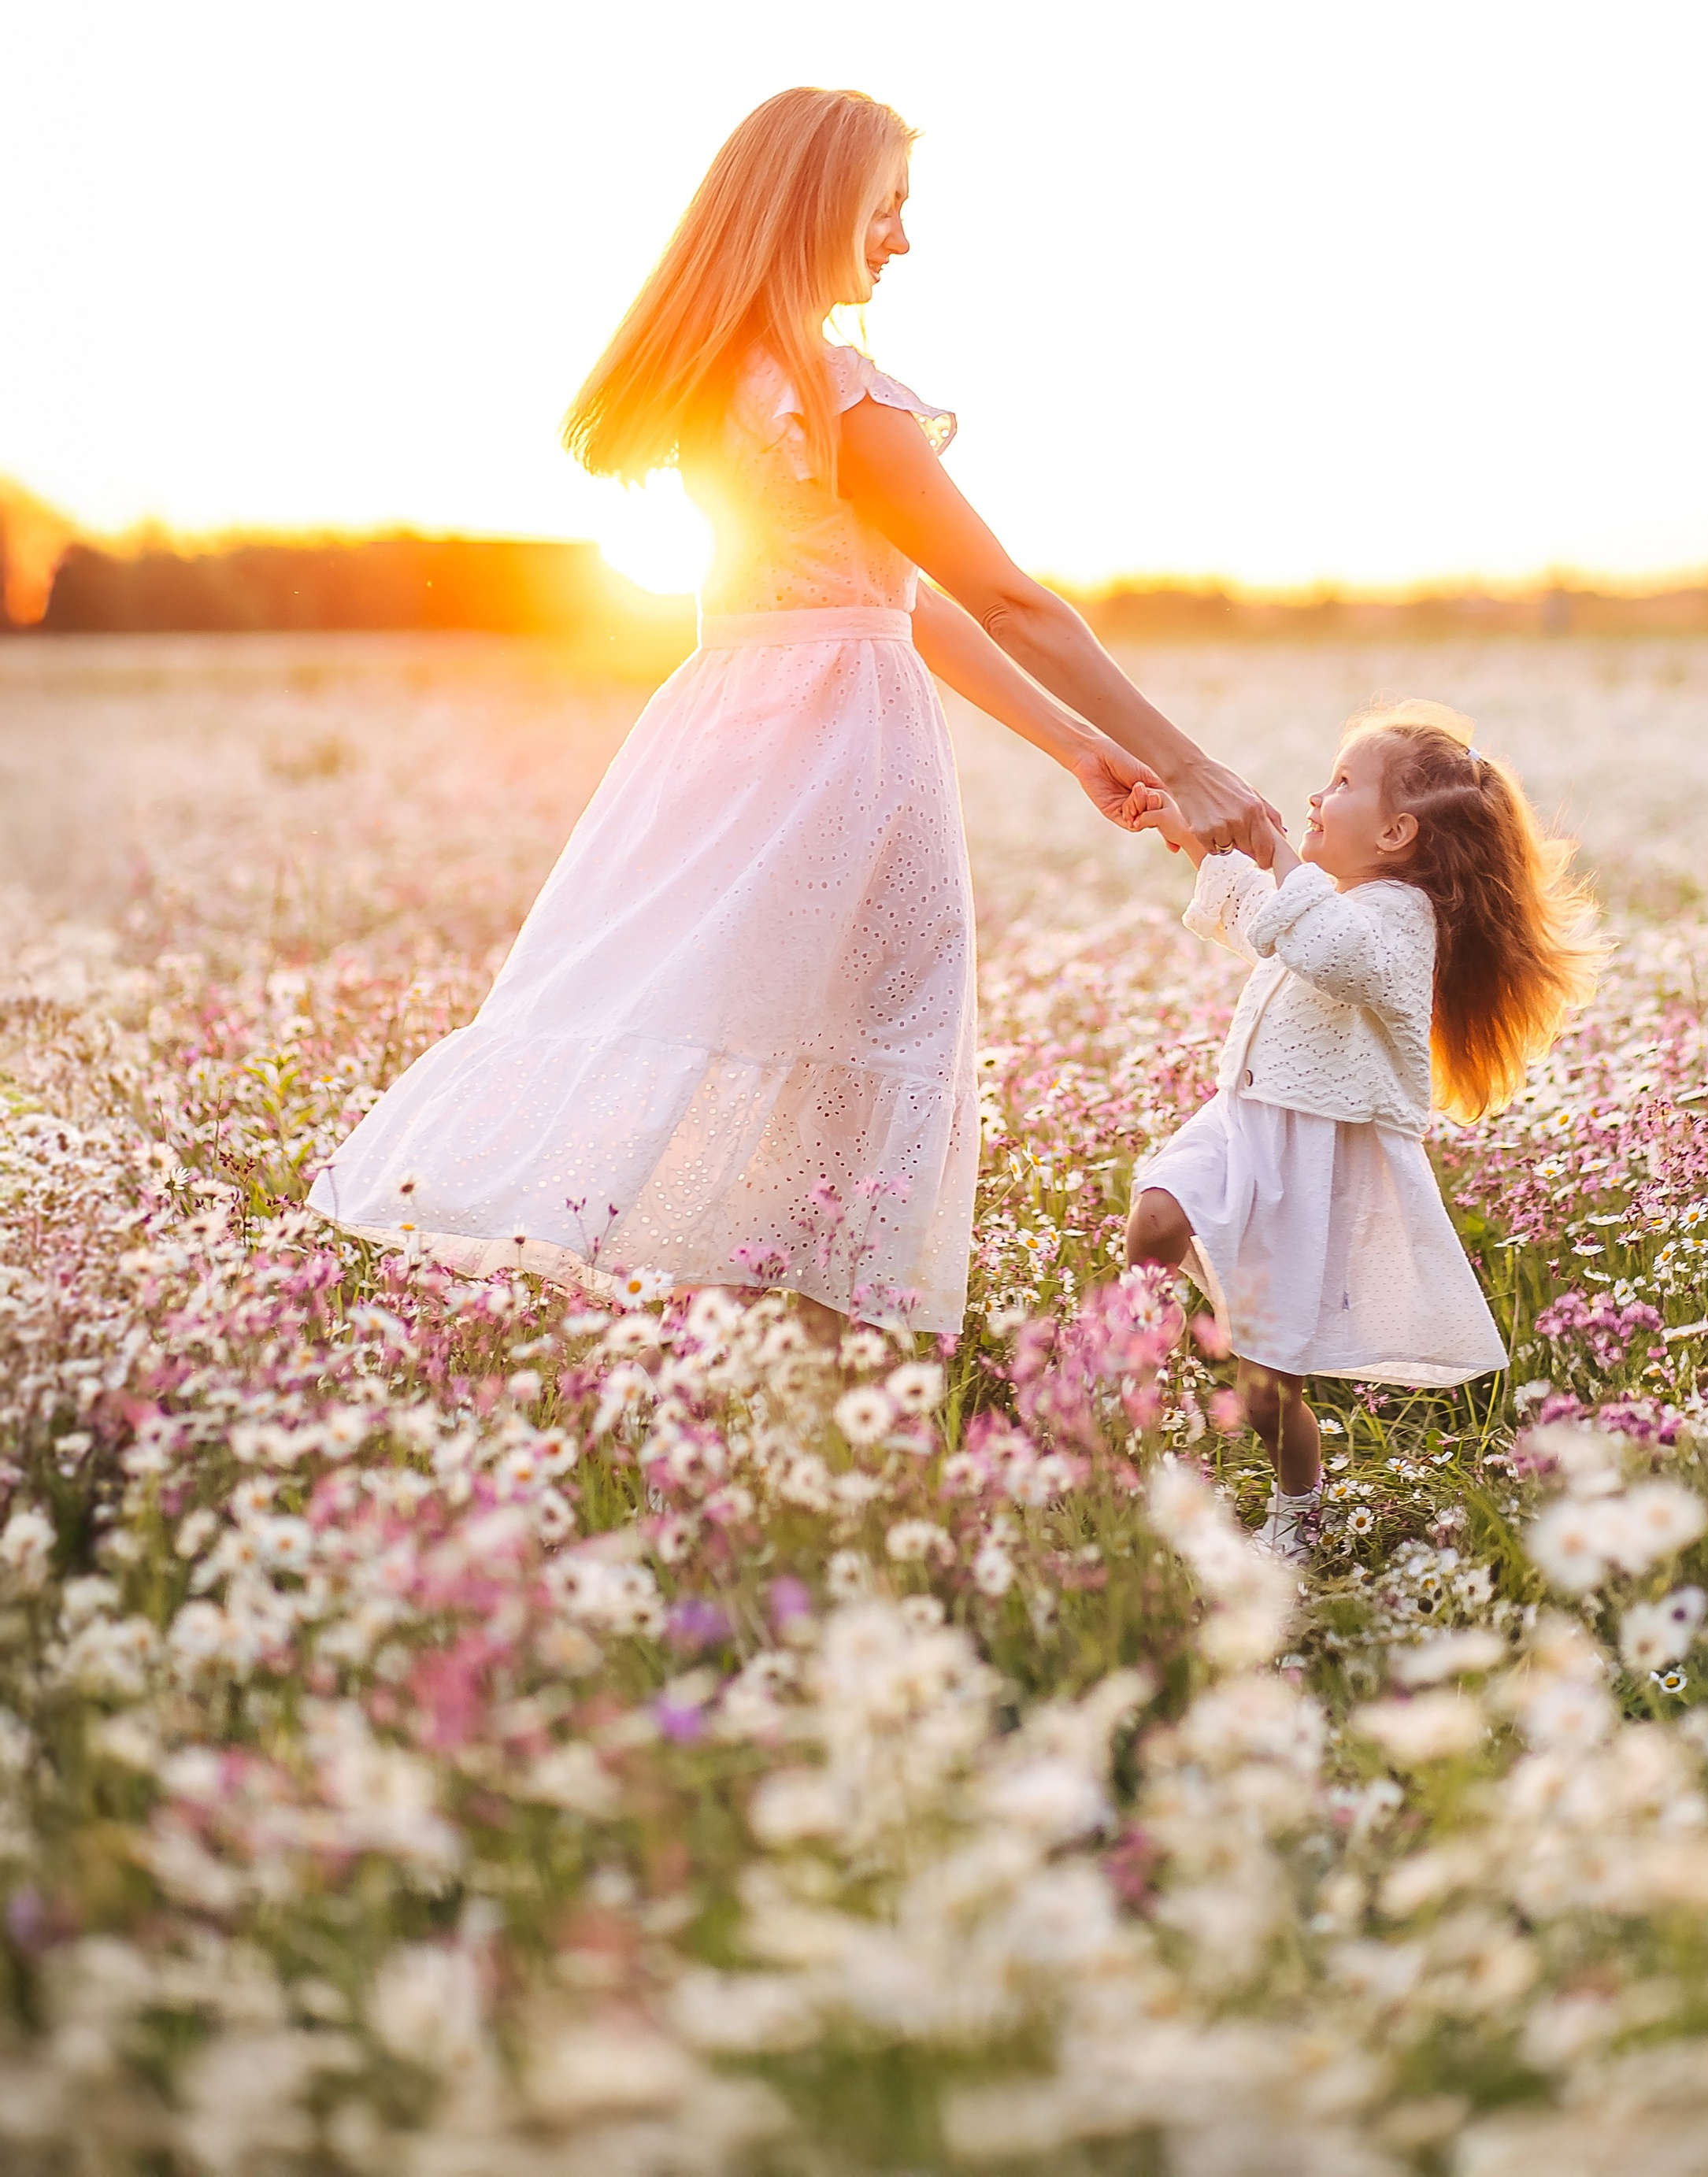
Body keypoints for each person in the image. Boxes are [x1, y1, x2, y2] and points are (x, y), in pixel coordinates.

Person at [310, 85, 1278, 1335]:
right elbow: (1004, 599)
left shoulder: (724, 386)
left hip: (722, 744)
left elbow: (891, 602)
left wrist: (1075, 744)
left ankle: (764, 1368)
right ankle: (841, 1361)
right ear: (813, 208)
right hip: (842, 759)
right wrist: (1185, 765)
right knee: (864, 1046)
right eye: (884, 209)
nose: (904, 241)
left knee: (745, 1037)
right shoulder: (840, 395)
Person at [1124, 702, 1602, 1557]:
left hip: (1314, 1156)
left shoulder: (1402, 921)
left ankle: (1298, 1506)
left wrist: (1277, 852)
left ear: (1395, 833)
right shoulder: (1331, 901)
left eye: (1342, 782)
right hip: (1242, 1117)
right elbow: (1258, 916)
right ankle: (1119, 1369)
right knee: (1154, 1218)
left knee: (1267, 1385)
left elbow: (1335, 953)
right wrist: (1182, 826)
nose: (1316, 796)